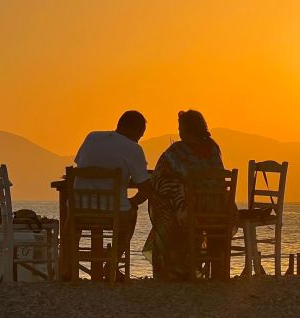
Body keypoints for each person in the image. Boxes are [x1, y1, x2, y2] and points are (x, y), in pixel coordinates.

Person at [144, 110, 228, 281]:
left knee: (166, 209)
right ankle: (207, 267)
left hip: (191, 210)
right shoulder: (213, 147)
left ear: (186, 129)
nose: (179, 131)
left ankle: (176, 267)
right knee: (178, 201)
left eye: (180, 127)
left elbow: (158, 176)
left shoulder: (177, 150)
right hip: (217, 209)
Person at [73, 111, 151, 275]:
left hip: (79, 210)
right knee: (131, 214)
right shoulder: (134, 149)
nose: (139, 139)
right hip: (112, 212)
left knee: (70, 220)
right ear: (135, 130)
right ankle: (111, 265)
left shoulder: (92, 137)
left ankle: (67, 266)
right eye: (140, 135)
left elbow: (80, 164)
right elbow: (145, 190)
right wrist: (131, 203)